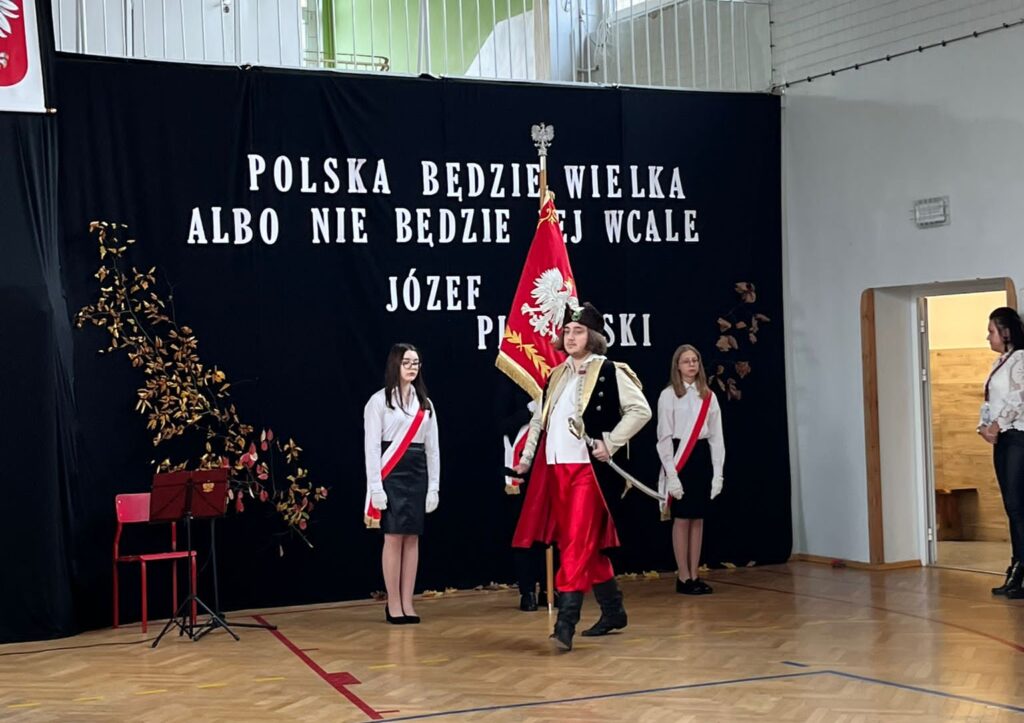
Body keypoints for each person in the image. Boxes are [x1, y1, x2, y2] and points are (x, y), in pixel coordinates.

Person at [512, 301, 652, 651]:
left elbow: (641, 410)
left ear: (593, 336)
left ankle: (566, 623)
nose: (571, 336)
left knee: (575, 543)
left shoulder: (610, 370)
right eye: (567, 331)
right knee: (578, 543)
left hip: (587, 473)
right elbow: (539, 420)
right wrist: (526, 459)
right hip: (554, 470)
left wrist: (611, 442)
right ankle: (613, 610)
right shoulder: (556, 374)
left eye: (578, 331)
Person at [363, 343, 440, 623]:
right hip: (391, 474)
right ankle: (393, 603)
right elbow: (372, 448)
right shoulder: (378, 402)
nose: (412, 368)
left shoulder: (425, 404)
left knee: (412, 537)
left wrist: (434, 487)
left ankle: (408, 601)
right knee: (394, 537)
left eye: (416, 363)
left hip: (417, 473)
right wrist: (376, 487)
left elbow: (433, 449)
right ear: (395, 364)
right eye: (406, 362)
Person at [656, 344, 725, 595]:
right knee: (683, 518)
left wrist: (718, 473)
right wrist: (671, 474)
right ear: (677, 366)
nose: (692, 365)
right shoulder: (668, 395)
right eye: (686, 361)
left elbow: (717, 437)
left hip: (701, 457)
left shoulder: (708, 395)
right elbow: (664, 437)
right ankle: (683, 576)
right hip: (680, 458)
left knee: (698, 518)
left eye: (695, 360)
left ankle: (695, 574)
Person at [978, 307, 1024, 599]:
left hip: (1017, 436)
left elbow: (1020, 398)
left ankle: (1019, 572)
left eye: (991, 331)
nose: (988, 337)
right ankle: (1017, 568)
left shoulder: (1020, 359)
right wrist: (984, 426)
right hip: (1004, 439)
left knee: (1018, 506)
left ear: (1006, 332)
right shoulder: (1001, 361)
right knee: (1012, 506)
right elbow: (990, 400)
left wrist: (997, 425)